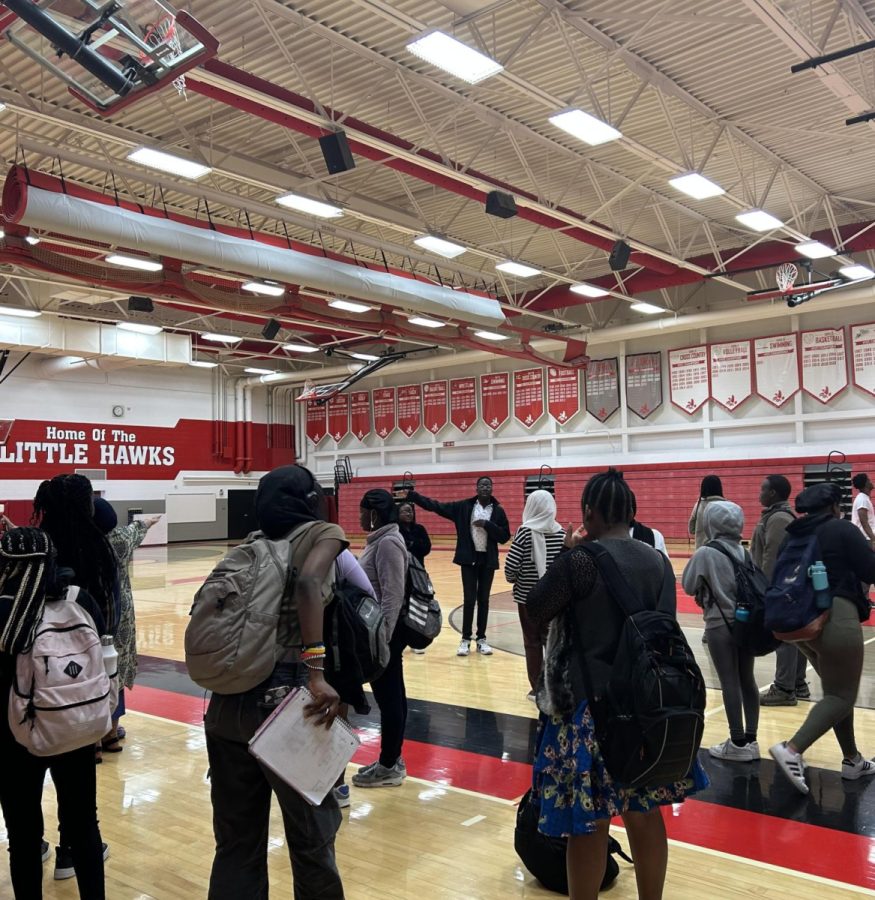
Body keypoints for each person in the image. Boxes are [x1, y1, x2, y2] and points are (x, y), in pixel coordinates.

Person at [527, 469, 707, 900]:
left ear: (588, 512)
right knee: (645, 813)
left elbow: (536, 609)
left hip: (592, 710)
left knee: (588, 822)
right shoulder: (658, 561)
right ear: (632, 512)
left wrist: (567, 554)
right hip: (648, 708)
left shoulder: (580, 560)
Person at [204, 464, 346, 899]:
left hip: (227, 704)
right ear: (308, 500)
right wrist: (317, 673)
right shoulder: (323, 532)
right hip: (287, 698)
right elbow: (308, 582)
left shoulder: (252, 543)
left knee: (236, 843)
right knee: (312, 842)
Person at [0, 527, 108, 899]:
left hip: (12, 739)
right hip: (75, 726)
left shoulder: (4, 608)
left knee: (24, 835)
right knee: (83, 827)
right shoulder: (80, 599)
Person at [770, 481, 875, 795]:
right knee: (841, 695)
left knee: (836, 691)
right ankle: (792, 749)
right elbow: (871, 570)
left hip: (801, 624)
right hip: (835, 617)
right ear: (834, 507)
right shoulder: (841, 530)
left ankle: (852, 759)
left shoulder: (795, 533)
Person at [682, 501, 760, 762]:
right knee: (747, 680)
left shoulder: (706, 552)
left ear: (711, 523)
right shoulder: (744, 551)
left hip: (719, 623)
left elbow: (689, 584)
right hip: (745, 622)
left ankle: (737, 742)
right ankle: (751, 739)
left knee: (729, 681)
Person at [406, 476, 510, 657]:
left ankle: (482, 639)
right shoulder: (463, 507)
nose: (485, 487)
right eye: (482, 485)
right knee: (469, 600)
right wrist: (414, 497)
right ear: (476, 488)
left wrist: (487, 524)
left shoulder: (498, 511)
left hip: (487, 561)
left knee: (484, 601)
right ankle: (465, 639)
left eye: (488, 485)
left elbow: (504, 537)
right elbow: (436, 506)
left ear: (492, 489)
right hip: (468, 560)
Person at [351, 489, 410, 789]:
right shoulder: (382, 539)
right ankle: (392, 758)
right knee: (393, 696)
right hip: (382, 633)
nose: (358, 516)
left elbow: (393, 594)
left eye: (362, 511)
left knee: (389, 699)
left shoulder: (388, 543)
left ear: (374, 514)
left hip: (385, 635)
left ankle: (388, 765)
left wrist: (382, 639)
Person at [92, 499, 161, 750]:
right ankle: (110, 732)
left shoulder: (75, 542)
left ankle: (92, 739)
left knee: (89, 674)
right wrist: (147, 522)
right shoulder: (117, 541)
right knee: (116, 670)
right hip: (119, 616)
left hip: (86, 617)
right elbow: (136, 528)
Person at [751, 476, 808, 706]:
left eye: (763, 488)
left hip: (780, 589)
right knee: (795, 636)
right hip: (787, 588)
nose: (760, 492)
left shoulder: (778, 519)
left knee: (784, 638)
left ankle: (785, 688)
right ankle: (798, 684)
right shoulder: (776, 516)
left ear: (773, 493)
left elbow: (772, 560)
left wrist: (764, 590)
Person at [503, 489, 565, 701]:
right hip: (555, 599)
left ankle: (538, 690)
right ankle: (555, 686)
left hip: (527, 600)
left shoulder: (524, 532)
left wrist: (520, 577)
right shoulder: (561, 532)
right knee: (554, 642)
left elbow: (510, 569)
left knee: (532, 642)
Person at [688, 475, 725, 549]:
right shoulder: (727, 506)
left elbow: (691, 529)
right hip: (722, 552)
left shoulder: (698, 505)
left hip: (701, 552)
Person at [851, 473, 874, 546]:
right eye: (869, 480)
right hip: (866, 538)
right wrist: (873, 540)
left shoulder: (864, 498)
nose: (871, 482)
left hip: (868, 538)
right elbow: (864, 523)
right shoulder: (862, 499)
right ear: (866, 484)